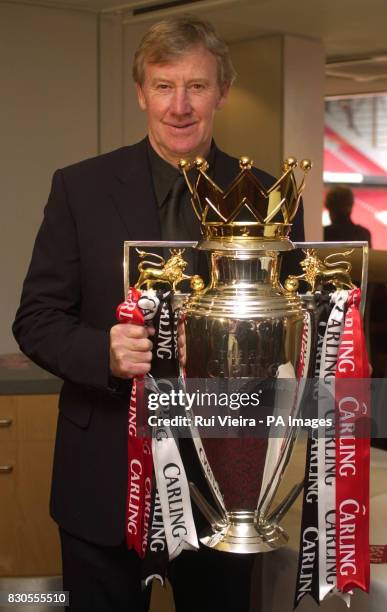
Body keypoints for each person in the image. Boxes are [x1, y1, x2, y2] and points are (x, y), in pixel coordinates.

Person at [13, 15, 305, 612]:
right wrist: (103, 353)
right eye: (164, 85)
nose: (179, 106)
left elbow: (298, 326)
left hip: (227, 485)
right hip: (104, 480)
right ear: (142, 91)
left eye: (196, 86)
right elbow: (36, 318)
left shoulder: (273, 200)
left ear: (222, 92)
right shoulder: (80, 188)